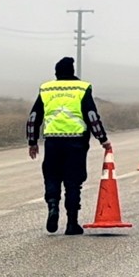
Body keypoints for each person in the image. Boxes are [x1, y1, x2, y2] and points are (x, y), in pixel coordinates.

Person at [26, 56, 111, 235]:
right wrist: (102, 139)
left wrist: (32, 142)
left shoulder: (46, 89)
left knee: (52, 177)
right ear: (72, 72)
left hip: (52, 142)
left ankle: (52, 205)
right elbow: (92, 116)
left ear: (56, 73)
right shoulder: (82, 88)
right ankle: (72, 223)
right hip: (76, 142)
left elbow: (34, 117)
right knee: (73, 183)